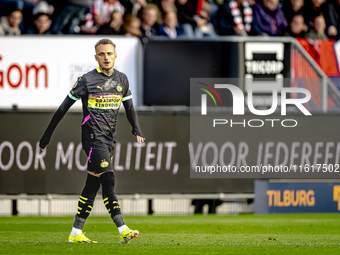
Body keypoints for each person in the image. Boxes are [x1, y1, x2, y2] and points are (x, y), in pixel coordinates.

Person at [39, 38, 145, 244]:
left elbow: (130, 108)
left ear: (115, 56)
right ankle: (122, 228)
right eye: (102, 54)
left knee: (92, 185)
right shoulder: (86, 80)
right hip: (92, 138)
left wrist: (136, 128)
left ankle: (76, 232)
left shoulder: (122, 79)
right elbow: (63, 108)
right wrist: (47, 135)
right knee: (109, 179)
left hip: (109, 140)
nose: (106, 57)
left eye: (109, 53)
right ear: (96, 57)